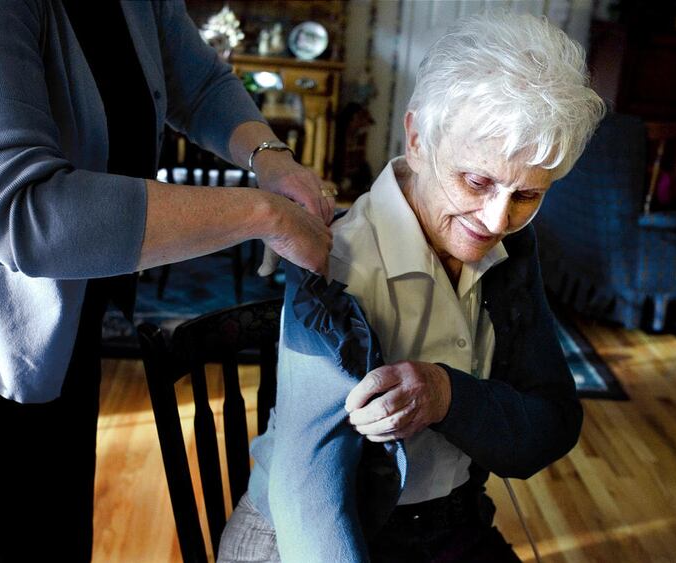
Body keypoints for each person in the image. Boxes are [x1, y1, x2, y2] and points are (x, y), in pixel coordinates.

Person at [0, 1, 334, 561]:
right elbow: (20, 211)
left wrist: (271, 159)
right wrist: (261, 215)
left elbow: (199, 83)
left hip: (67, 324)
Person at [217, 11, 606, 563]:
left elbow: (553, 424)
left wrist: (447, 396)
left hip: (449, 526)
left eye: (527, 195)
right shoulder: (336, 263)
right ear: (419, 138)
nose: (497, 220)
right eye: (477, 181)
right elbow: (310, 496)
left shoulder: (512, 247)